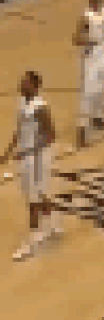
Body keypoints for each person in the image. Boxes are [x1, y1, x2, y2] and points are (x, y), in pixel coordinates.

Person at [2, 71, 61, 261]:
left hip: (37, 158)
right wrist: (7, 152)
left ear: (35, 87)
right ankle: (52, 225)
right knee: (41, 193)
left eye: (25, 83)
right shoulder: (22, 102)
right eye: (22, 81)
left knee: (32, 201)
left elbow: (51, 135)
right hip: (27, 156)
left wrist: (27, 151)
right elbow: (19, 130)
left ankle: (31, 243)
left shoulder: (40, 107)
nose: (21, 84)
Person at [74, 0, 104, 148]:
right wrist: (89, 41)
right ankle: (81, 131)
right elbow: (76, 39)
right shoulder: (86, 17)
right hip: (91, 58)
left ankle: (98, 118)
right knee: (88, 93)